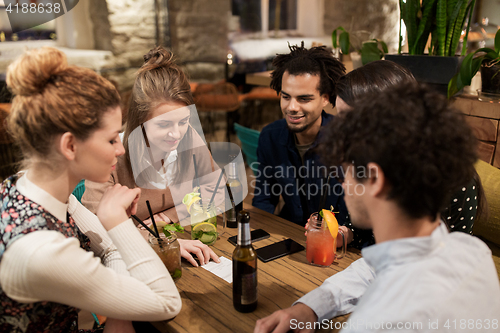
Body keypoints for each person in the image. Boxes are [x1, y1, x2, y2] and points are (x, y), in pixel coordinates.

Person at [254, 83, 500, 333]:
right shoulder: (473, 251)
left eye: (345, 171)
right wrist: (309, 308)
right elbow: (374, 268)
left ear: (375, 180)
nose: (341, 182)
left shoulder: (379, 321)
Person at [0, 47, 182, 332]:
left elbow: (110, 248)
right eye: (111, 140)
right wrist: (116, 221)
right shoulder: (39, 249)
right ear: (70, 146)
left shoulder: (33, 189)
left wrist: (119, 306)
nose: (121, 148)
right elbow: (167, 304)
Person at [82, 46, 220, 267]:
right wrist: (163, 241)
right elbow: (95, 232)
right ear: (140, 122)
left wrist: (167, 217)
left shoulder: (189, 138)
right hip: (126, 262)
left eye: (183, 122)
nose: (176, 133)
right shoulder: (110, 155)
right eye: (164, 124)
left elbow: (216, 188)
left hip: (180, 245)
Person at [334, 60, 485, 248]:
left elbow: (456, 258)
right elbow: (363, 227)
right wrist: (345, 234)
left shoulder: (454, 180)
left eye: (352, 121)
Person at [252, 42, 349, 234]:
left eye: (304, 99)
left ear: (326, 98)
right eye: (286, 96)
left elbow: (355, 216)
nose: (292, 107)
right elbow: (264, 199)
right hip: (289, 235)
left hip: (336, 243)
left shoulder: (347, 140)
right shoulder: (270, 137)